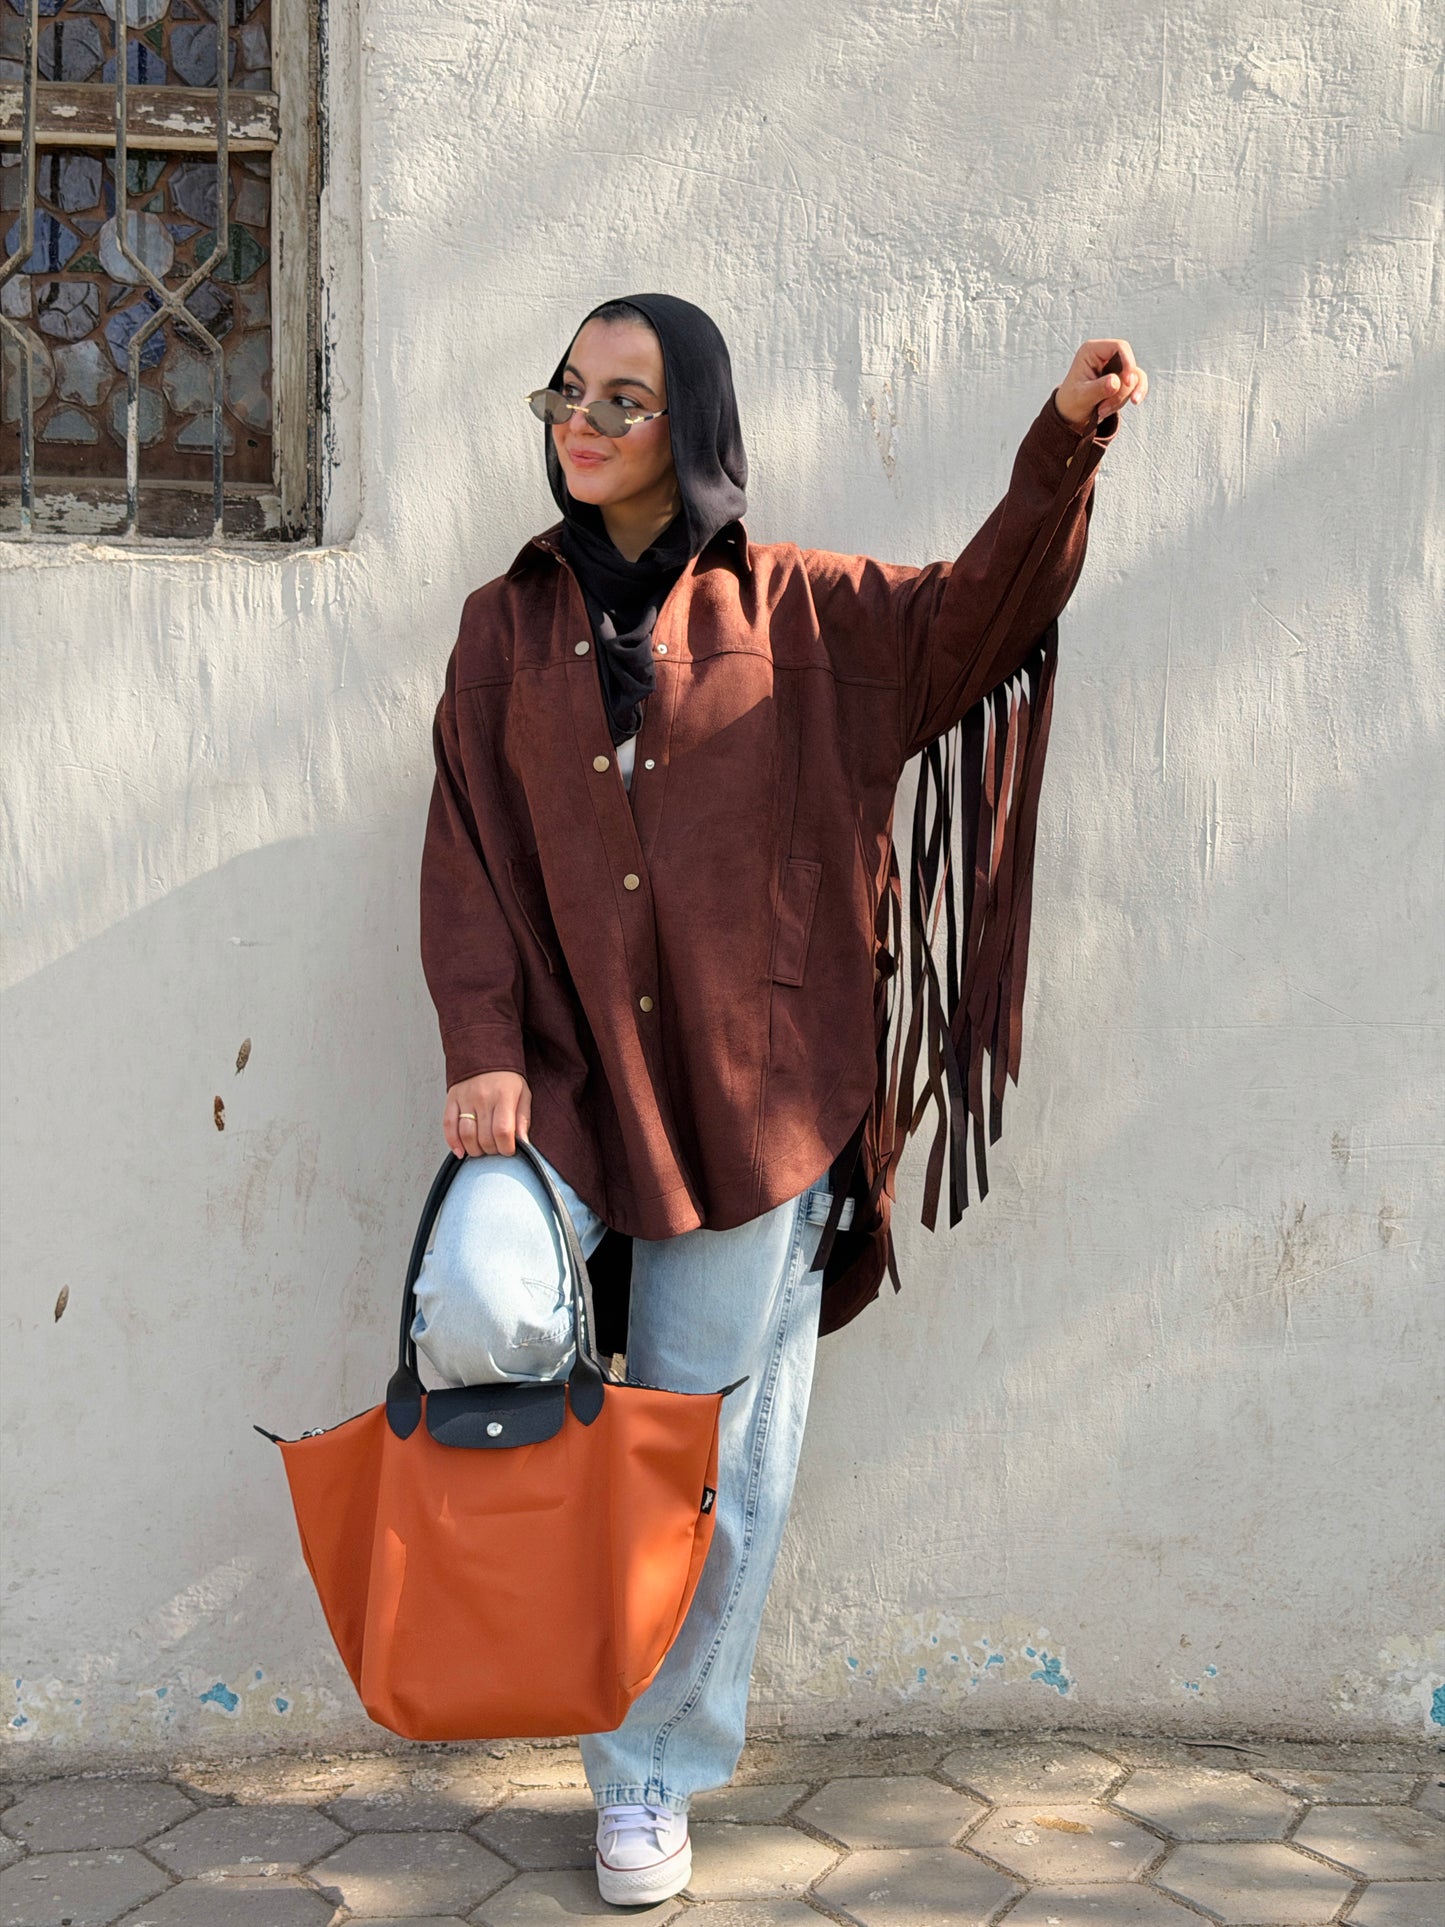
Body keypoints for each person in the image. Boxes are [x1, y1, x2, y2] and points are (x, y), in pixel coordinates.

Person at [413, 292, 1147, 1904]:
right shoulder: (504, 625)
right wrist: (481, 1042)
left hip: (755, 1104)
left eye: (627, 396)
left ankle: (647, 1777)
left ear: (698, 428)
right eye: (568, 390)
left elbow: (975, 621)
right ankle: (513, 1666)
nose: (584, 420)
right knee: (483, 1328)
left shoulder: (806, 613)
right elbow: (465, 845)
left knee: (712, 1463)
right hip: (559, 1092)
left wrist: (1062, 442)